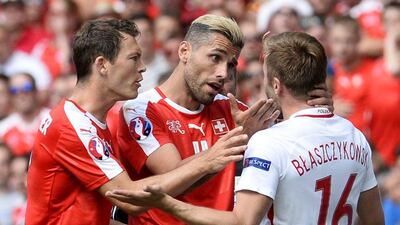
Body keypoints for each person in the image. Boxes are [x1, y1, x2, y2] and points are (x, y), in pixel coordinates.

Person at [107, 32, 384, 225]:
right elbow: (374, 220)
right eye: (217, 59)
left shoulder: (270, 140)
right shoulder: (354, 135)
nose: (225, 74)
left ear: (276, 85)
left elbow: (243, 221)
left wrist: (167, 203)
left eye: (230, 65)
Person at [25, 18, 249, 225]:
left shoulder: (89, 121)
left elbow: (88, 210)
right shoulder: (74, 126)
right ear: (102, 65)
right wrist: (209, 159)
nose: (142, 67)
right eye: (133, 58)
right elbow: (129, 198)